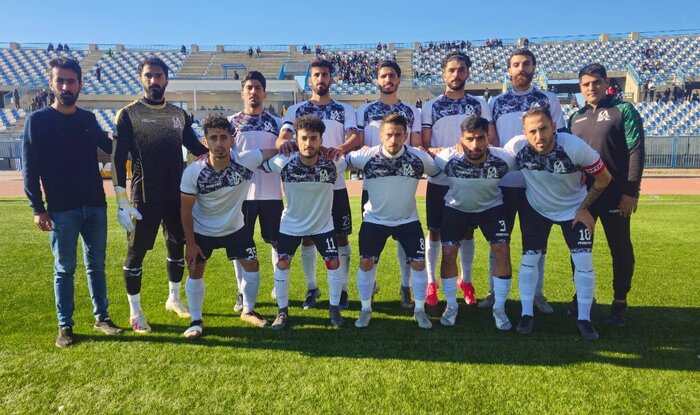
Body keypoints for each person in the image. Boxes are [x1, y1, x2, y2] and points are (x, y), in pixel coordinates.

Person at [23, 57, 124, 347]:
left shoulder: (87, 120)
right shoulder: (37, 121)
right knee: (64, 268)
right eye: (61, 81)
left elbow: (111, 146)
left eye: (71, 81)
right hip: (61, 209)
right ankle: (65, 325)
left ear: (80, 84)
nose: (66, 86)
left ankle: (102, 317)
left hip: (95, 205)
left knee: (96, 266)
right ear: (52, 84)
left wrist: (131, 133)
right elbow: (30, 169)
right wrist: (38, 208)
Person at [111, 57, 208, 333]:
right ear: (141, 79)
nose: (154, 80)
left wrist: (223, 153)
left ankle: (174, 298)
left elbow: (196, 148)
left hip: (177, 196)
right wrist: (121, 200)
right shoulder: (128, 114)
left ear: (166, 79)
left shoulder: (179, 115)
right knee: (136, 253)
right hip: (144, 197)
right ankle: (135, 311)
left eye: (158, 76)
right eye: (148, 75)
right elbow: (118, 158)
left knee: (177, 248)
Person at [505, 107, 612, 340]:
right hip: (537, 208)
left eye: (543, 128)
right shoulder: (516, 147)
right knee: (529, 259)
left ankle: (584, 319)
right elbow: (491, 158)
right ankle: (526, 314)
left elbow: (604, 178)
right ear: (524, 133)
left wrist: (584, 208)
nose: (539, 136)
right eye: (532, 131)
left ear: (553, 127)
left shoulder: (574, 147)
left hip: (574, 209)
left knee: (583, 261)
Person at [180, 115, 278, 338]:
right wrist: (191, 244)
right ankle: (196, 320)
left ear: (232, 140)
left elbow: (273, 151)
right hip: (204, 230)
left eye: (224, 137)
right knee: (196, 269)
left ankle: (248, 311)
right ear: (205, 142)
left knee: (252, 265)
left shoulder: (245, 160)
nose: (219, 143)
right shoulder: (193, 172)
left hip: (235, 228)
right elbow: (185, 210)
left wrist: (291, 145)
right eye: (213, 138)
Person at [276, 59, 361, 310]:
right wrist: (285, 143)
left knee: (341, 237)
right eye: (316, 75)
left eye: (325, 74)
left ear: (331, 79)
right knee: (308, 238)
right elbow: (283, 137)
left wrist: (338, 149)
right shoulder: (296, 110)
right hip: (306, 186)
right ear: (310, 80)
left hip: (335, 185)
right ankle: (312, 287)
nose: (321, 78)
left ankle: (342, 289)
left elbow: (355, 137)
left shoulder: (344, 109)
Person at [486, 48, 566, 313]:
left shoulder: (547, 99)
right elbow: (493, 142)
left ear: (533, 67)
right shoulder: (495, 102)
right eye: (516, 64)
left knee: (537, 243)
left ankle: (537, 294)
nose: (521, 69)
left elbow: (560, 137)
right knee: (499, 242)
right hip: (504, 185)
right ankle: (493, 291)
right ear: (509, 70)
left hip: (537, 184)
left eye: (526, 64)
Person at [568, 63, 645, 326]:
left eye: (596, 82)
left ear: (606, 83)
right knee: (579, 249)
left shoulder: (623, 110)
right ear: (580, 87)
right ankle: (583, 296)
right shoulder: (575, 117)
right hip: (584, 198)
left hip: (616, 195)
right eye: (586, 84)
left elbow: (636, 150)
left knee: (620, 248)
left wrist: (631, 192)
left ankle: (620, 301)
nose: (591, 87)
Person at [346, 113, 440, 328]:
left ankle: (419, 310)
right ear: (380, 135)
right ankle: (365, 309)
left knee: (418, 264)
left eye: (398, 135)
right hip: (374, 220)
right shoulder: (366, 156)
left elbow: (437, 170)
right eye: (389, 134)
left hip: (407, 220)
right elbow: (343, 161)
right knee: (366, 262)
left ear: (406, 136)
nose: (393, 140)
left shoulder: (419, 157)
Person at [421, 51, 495, 307]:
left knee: (467, 232)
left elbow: (490, 139)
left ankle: (467, 281)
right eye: (451, 70)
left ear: (468, 73)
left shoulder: (479, 104)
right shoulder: (431, 106)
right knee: (434, 231)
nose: (456, 74)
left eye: (461, 69)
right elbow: (425, 144)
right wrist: (441, 152)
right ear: (443, 74)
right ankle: (431, 282)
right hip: (440, 180)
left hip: (470, 181)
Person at [264, 115, 347, 329]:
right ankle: (282, 311)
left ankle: (334, 309)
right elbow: (257, 161)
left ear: (321, 140)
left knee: (333, 263)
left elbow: (352, 159)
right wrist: (281, 146)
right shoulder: (283, 162)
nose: (308, 143)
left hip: (323, 226)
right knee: (283, 263)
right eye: (303, 138)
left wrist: (335, 150)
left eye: (313, 138)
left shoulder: (334, 163)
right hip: (291, 225)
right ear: (296, 140)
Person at [434, 116, 516, 329]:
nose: (475, 144)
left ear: (488, 138)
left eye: (480, 138)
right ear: (461, 139)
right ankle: (451, 305)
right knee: (449, 253)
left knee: (502, 250)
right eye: (469, 139)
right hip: (456, 208)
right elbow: (426, 160)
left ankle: (499, 308)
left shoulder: (505, 159)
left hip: (491, 208)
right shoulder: (446, 158)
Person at [355, 60, 422, 308]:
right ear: (377, 80)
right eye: (383, 76)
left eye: (392, 75)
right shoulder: (365, 110)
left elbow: (416, 146)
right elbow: (359, 143)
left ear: (398, 80)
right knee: (373, 241)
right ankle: (370, 286)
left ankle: (406, 287)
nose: (388, 80)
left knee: (406, 238)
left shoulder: (411, 111)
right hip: (373, 185)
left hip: (402, 183)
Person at [227, 71, 283, 312]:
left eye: (258, 88)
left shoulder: (277, 123)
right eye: (249, 88)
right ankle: (241, 291)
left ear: (264, 93)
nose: (253, 92)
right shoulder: (230, 123)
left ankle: (278, 287)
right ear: (242, 93)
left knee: (277, 243)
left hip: (272, 194)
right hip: (241, 195)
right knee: (240, 244)